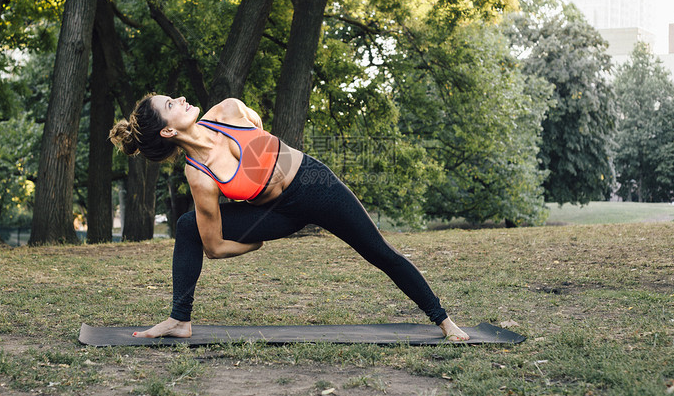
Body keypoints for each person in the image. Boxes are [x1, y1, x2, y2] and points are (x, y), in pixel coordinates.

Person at [109, 95, 470, 341]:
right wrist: (255, 242)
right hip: (276, 213)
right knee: (188, 226)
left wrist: (263, 170)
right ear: (168, 131)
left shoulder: (228, 111)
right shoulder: (200, 176)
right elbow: (215, 246)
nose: (182, 99)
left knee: (379, 252)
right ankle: (179, 320)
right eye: (172, 104)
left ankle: (444, 320)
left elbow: (258, 126)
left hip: (315, 185)